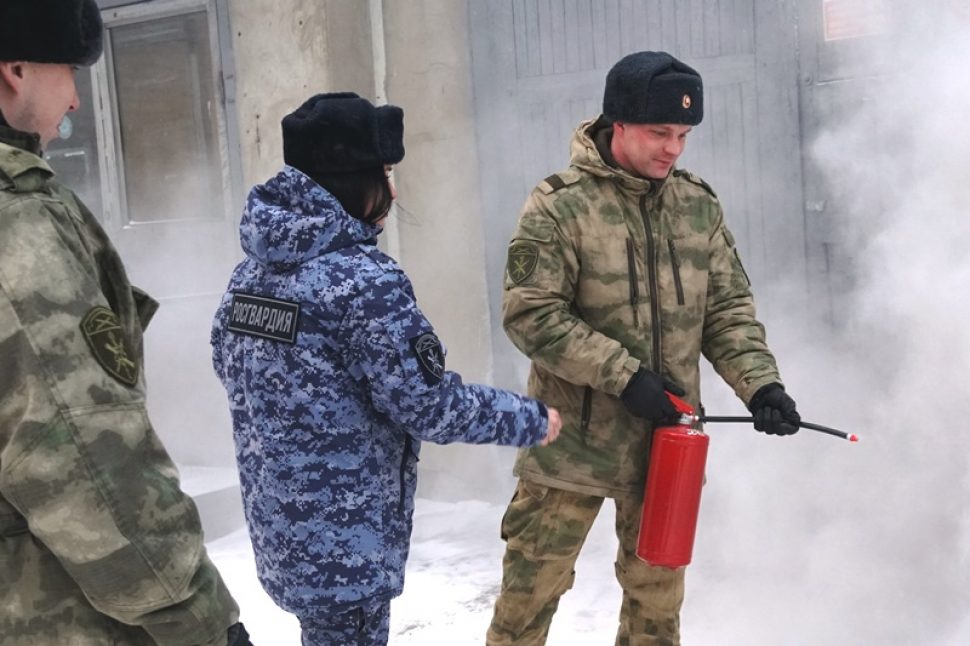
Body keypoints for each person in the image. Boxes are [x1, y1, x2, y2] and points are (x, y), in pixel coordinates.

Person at [210, 91, 562, 645]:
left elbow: (226, 364)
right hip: (347, 544)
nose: (393, 191)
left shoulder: (251, 273)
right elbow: (429, 405)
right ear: (353, 180)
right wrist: (529, 418)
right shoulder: (364, 280)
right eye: (386, 174)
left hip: (283, 530)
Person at [487, 51, 802, 645]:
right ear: (619, 123)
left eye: (683, 134)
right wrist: (625, 376)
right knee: (528, 602)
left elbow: (727, 311)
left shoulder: (697, 206)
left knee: (657, 611)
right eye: (661, 132)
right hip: (569, 450)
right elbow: (531, 314)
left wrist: (762, 384)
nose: (674, 149)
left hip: (667, 449)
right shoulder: (559, 205)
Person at [0, 1, 251, 644]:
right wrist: (197, 618)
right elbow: (81, 451)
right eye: (70, 70)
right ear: (15, 70)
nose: (78, 100)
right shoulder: (17, 224)